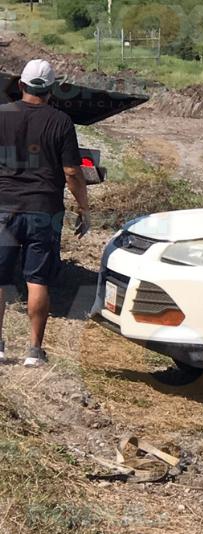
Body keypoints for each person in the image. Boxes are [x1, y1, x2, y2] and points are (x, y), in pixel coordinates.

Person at [0, 59, 90, 367]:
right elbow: (72, 172)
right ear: (52, 90)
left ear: (20, 85)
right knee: (37, 279)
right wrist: (84, 208)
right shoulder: (61, 122)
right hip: (44, 210)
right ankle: (34, 352)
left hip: (4, 208)